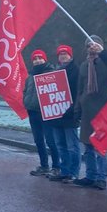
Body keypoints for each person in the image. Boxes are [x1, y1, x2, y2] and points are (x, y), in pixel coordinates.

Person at [73, 35, 107, 191]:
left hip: (103, 110)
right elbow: (80, 88)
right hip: (87, 110)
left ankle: (101, 177)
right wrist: (78, 107)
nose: (92, 47)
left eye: (95, 45)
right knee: (88, 146)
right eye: (89, 45)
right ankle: (90, 176)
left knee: (100, 146)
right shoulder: (84, 65)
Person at [22, 49, 61, 177]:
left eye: (40, 58)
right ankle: (44, 165)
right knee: (38, 140)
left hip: (46, 112)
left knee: (51, 141)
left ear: (45, 59)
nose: (38, 60)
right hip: (33, 112)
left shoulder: (52, 73)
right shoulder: (30, 76)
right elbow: (26, 90)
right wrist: (26, 101)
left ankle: (56, 166)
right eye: (35, 58)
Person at [46, 45, 81, 183]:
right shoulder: (56, 71)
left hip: (70, 114)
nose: (63, 56)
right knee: (61, 144)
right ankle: (65, 170)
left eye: (65, 54)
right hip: (57, 114)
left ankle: (73, 172)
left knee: (72, 145)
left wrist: (73, 109)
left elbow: (78, 92)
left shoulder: (76, 71)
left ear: (70, 55)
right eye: (60, 54)